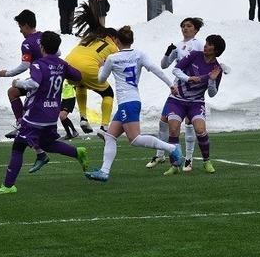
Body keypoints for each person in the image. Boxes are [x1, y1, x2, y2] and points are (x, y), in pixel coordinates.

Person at [0, 31, 90, 195]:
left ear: (41, 47)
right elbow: (78, 76)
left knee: (18, 147)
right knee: (47, 144)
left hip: (35, 115)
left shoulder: (38, 65)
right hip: (51, 115)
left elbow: (34, 83)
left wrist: (18, 82)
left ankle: (8, 186)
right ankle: (77, 153)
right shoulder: (62, 64)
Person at [84, 26, 183, 182]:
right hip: (133, 100)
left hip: (126, 103)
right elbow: (155, 69)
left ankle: (172, 148)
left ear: (116, 41)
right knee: (110, 136)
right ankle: (104, 171)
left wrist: (101, 66)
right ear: (132, 41)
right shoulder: (139, 54)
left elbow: (101, 80)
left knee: (135, 139)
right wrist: (170, 84)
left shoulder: (112, 58)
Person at [163, 34, 227, 176]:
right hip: (177, 99)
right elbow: (176, 70)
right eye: (206, 43)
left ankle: (206, 161)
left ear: (216, 50)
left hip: (196, 102)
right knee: (173, 130)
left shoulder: (217, 69)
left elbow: (212, 93)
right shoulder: (194, 55)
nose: (206, 45)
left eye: (210, 44)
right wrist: (188, 78)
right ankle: (174, 165)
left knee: (200, 129)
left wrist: (211, 80)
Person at [147, 17, 205, 171]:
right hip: (177, 89)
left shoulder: (199, 44)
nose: (185, 28)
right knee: (164, 120)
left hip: (193, 91)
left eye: (189, 26)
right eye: (183, 26)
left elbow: (206, 62)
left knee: (189, 122)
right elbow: (164, 65)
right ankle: (160, 154)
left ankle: (188, 159)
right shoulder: (178, 46)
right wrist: (167, 53)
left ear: (196, 29)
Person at [64, 3, 119, 134]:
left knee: (80, 85)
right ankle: (104, 127)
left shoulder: (89, 38)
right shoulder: (112, 47)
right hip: (87, 68)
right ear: (113, 38)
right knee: (108, 93)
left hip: (68, 65)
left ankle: (83, 118)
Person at [0, 10, 43, 141]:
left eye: (20, 27)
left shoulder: (27, 43)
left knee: (12, 92)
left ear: (26, 25)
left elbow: (25, 65)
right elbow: (58, 52)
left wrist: (7, 73)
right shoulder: (45, 37)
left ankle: (22, 126)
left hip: (37, 82)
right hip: (49, 79)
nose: (20, 31)